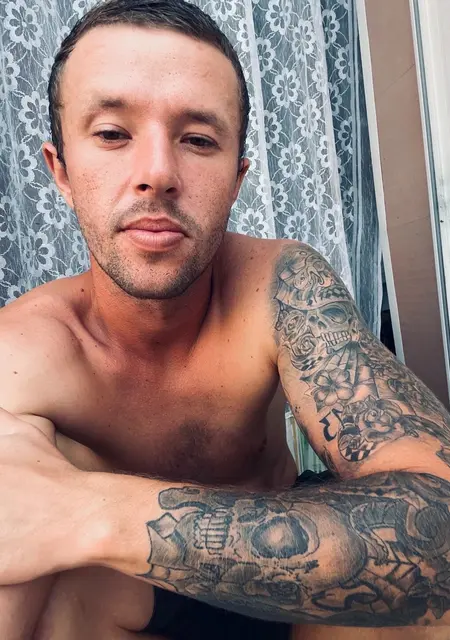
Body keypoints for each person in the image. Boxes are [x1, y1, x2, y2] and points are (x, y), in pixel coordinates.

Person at [0, 0, 449, 638]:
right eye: (113, 134)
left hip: (299, 592)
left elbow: (440, 520)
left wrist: (87, 514)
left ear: (238, 179)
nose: (157, 174)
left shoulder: (280, 287)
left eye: (198, 140)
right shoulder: (21, 356)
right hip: (125, 604)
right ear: (61, 171)